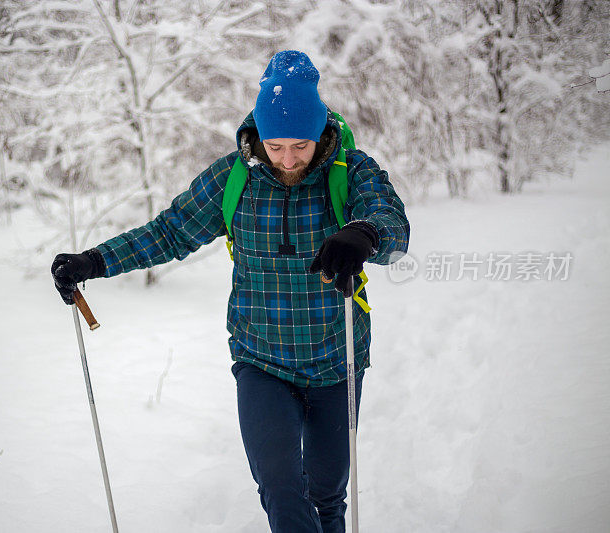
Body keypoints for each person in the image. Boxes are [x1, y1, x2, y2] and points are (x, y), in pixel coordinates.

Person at [51, 50, 410, 533]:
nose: (287, 159)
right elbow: (170, 232)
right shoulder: (233, 178)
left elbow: (392, 224)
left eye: (300, 146)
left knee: (326, 494)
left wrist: (363, 232)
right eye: (276, 145)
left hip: (335, 359)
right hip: (260, 361)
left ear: (321, 133)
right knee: (282, 491)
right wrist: (94, 261)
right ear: (259, 135)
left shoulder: (351, 170)